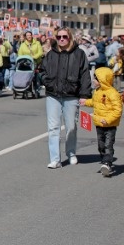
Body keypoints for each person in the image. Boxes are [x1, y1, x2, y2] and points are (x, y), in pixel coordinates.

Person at [39, 28, 92, 169]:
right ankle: (55, 159)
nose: (61, 39)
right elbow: (42, 71)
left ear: (70, 38)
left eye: (64, 37)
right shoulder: (51, 54)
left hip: (71, 95)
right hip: (53, 95)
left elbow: (85, 74)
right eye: (59, 37)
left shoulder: (79, 54)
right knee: (53, 128)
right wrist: (48, 83)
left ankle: (71, 153)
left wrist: (84, 95)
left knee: (71, 127)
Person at [82, 67, 123, 177]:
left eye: (95, 79)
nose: (93, 81)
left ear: (102, 80)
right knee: (101, 145)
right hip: (99, 123)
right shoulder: (97, 91)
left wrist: (108, 120)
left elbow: (117, 110)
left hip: (110, 125)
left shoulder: (113, 93)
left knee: (108, 145)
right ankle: (104, 160)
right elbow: (95, 103)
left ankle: (107, 163)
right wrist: (85, 102)